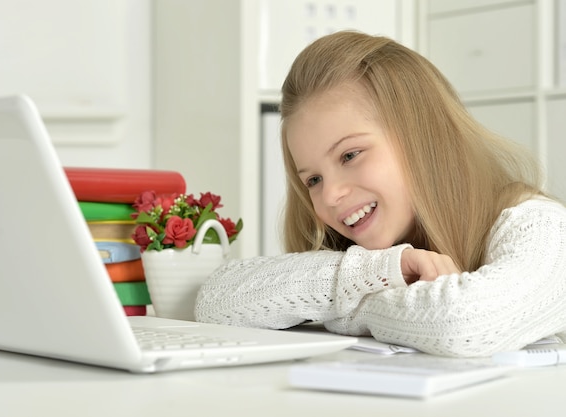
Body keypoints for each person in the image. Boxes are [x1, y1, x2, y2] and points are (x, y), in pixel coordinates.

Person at [194, 31, 566, 357]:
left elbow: (462, 321)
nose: (331, 195)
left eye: (350, 155)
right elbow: (216, 301)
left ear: (424, 137)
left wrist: (350, 304)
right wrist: (373, 272)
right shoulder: (366, 259)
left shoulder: (542, 227)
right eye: (313, 180)